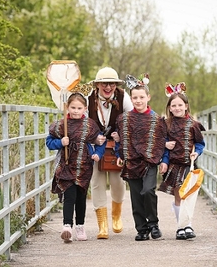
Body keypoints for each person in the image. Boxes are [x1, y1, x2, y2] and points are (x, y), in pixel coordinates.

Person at [113, 74, 169, 241]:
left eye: (141, 97)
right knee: (136, 195)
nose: (138, 101)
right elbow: (121, 139)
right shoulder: (124, 119)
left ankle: (153, 223)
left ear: (148, 97)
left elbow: (162, 141)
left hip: (150, 161)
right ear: (131, 98)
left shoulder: (157, 120)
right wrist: (119, 153)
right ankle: (141, 228)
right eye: (135, 97)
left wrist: (164, 160)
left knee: (148, 190)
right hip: (131, 161)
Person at [46, 92, 105, 243]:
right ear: (67, 108)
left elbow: (100, 142)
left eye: (79, 108)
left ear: (85, 108)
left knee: (80, 197)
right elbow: (49, 142)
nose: (76, 111)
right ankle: (67, 226)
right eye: (73, 107)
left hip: (84, 166)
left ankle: (80, 226)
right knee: (69, 195)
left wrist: (97, 154)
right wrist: (60, 143)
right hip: (66, 165)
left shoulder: (90, 125)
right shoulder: (61, 126)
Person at [88, 67, 134, 239]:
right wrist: (93, 138)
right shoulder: (89, 99)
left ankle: (116, 216)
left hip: (117, 147)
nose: (108, 87)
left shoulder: (123, 97)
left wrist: (121, 136)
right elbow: (83, 123)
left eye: (112, 84)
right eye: (104, 83)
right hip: (95, 147)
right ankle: (103, 225)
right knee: (97, 182)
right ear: (98, 84)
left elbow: (132, 120)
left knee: (118, 182)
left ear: (116, 85)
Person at [158, 82, 206, 240]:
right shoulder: (166, 124)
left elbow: (200, 143)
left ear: (186, 106)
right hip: (173, 165)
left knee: (189, 194)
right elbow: (163, 146)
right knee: (178, 195)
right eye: (174, 105)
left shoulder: (193, 125)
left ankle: (188, 225)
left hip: (188, 164)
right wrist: (164, 160)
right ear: (170, 108)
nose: (177, 108)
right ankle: (180, 226)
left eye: (180, 105)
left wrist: (197, 153)